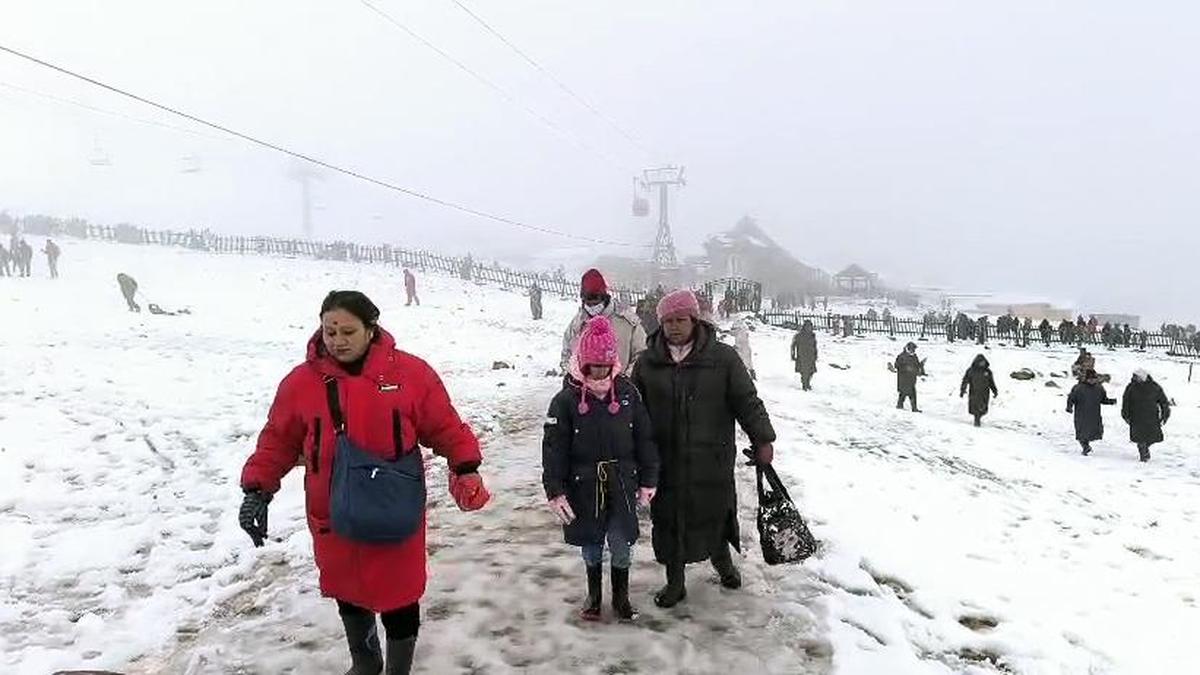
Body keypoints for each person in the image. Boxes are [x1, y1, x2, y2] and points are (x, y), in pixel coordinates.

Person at [238, 291, 490, 675]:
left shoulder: (411, 374)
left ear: (372, 329)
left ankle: (397, 670)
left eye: (348, 331)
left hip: (395, 507)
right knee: (348, 591)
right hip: (332, 511)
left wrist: (466, 465)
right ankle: (365, 664)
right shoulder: (301, 383)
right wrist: (257, 489)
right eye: (329, 330)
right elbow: (277, 440)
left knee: (400, 596)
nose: (337, 340)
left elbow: (444, 426)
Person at [631, 289, 776, 608]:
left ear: (695, 320)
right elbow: (633, 412)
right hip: (664, 461)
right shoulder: (647, 363)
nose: (673, 327)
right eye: (667, 321)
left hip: (711, 459)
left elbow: (746, 401)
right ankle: (675, 583)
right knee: (669, 522)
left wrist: (763, 438)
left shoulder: (722, 358)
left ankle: (724, 566)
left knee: (714, 516)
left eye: (680, 319)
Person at [542, 316, 659, 622]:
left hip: (622, 483)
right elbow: (554, 451)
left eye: (605, 366)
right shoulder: (565, 401)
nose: (599, 373)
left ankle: (621, 597)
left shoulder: (628, 393)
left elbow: (645, 438)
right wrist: (556, 491)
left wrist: (649, 479)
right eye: (593, 366)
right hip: (584, 486)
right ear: (582, 363)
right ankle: (594, 596)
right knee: (592, 544)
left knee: (622, 543)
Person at [560, 269, 646, 376]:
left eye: (595, 298)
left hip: (621, 388)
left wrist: (626, 380)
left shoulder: (626, 322)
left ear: (604, 296)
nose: (591, 304)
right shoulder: (578, 323)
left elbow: (642, 355)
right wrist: (574, 378)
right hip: (585, 388)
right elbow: (567, 354)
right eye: (587, 298)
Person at [1121, 369, 1170, 462]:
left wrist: (1165, 414)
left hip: (1151, 417)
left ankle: (1146, 447)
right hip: (1136, 417)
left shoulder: (1155, 387)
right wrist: (1125, 414)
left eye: (1137, 377)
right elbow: (1126, 401)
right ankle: (1143, 455)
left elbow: (1163, 402)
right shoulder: (1131, 387)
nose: (1135, 379)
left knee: (1152, 437)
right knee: (1140, 438)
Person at [1067, 369, 1116, 456]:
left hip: (1094, 414)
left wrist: (1111, 401)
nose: (1092, 380)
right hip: (1081, 414)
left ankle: (1086, 445)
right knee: (1081, 432)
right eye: (1090, 378)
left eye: (1094, 378)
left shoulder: (1099, 388)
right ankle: (1086, 447)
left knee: (1092, 432)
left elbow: (1103, 399)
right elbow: (1071, 398)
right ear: (1086, 378)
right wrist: (1069, 407)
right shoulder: (1078, 388)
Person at [960, 355, 999, 427]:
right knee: (975, 407)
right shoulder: (971, 371)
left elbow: (991, 382)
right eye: (981, 362)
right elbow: (965, 380)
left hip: (984, 393)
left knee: (983, 407)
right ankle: (976, 419)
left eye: (983, 362)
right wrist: (963, 390)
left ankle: (979, 417)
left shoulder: (987, 371)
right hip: (974, 392)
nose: (982, 363)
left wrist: (995, 391)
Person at [895, 342, 925, 412]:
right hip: (903, 378)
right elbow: (897, 365)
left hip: (911, 378)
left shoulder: (914, 356)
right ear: (908, 348)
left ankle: (906, 406)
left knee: (910, 393)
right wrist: (906, 368)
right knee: (905, 392)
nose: (913, 351)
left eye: (914, 349)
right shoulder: (901, 356)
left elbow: (917, 366)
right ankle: (904, 406)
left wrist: (921, 365)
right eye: (912, 349)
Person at [791, 320, 819, 391]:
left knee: (811, 371)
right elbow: (793, 345)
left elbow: (814, 345)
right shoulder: (799, 335)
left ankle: (808, 383)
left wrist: (816, 354)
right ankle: (804, 384)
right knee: (804, 371)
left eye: (810, 326)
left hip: (811, 356)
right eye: (807, 326)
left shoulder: (812, 335)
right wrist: (793, 354)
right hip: (802, 356)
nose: (809, 328)